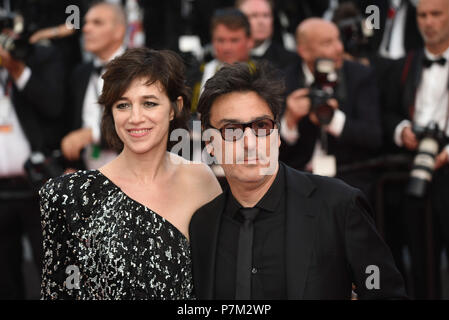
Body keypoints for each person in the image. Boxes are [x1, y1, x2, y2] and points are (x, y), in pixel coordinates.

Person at [189, 62, 407, 299]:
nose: (249, 143)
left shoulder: (338, 205)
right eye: (232, 130)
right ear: (210, 143)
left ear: (278, 136)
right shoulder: (203, 225)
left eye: (262, 126)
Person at [39, 48, 222, 299]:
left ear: (174, 108)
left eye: (149, 103)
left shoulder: (201, 180)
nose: (135, 118)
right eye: (123, 105)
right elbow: (58, 293)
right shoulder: (71, 196)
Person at [384, 0, 449, 299]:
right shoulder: (403, 64)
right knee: (420, 261)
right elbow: (386, 113)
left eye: (436, 14)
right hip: (411, 171)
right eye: (422, 15)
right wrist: (402, 131)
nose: (428, 22)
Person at [278, 18, 382, 202]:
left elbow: (374, 137)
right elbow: (271, 152)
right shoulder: (283, 81)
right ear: (303, 50)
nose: (339, 48)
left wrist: (333, 119)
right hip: (297, 183)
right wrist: (289, 122)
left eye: (338, 40)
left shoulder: (360, 76)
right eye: (327, 43)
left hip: (350, 179)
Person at [0, 23, 66, 298]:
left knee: (54, 274)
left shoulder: (38, 58)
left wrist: (16, 68)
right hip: (0, 195)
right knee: (6, 281)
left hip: (37, 187)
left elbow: (53, 105)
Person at [61, 1, 127, 171]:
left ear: (119, 30)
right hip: (87, 177)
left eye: (97, 23)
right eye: (86, 22)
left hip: (132, 178)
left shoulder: (140, 70)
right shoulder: (80, 73)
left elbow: (141, 126)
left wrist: (93, 135)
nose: (86, 29)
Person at [189, 7, 255, 112]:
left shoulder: (265, 75)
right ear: (212, 41)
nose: (226, 48)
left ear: (250, 41)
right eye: (220, 40)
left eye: (234, 40)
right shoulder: (195, 74)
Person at [236, 0, 297, 70]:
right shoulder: (227, 56)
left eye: (266, 15)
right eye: (253, 16)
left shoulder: (291, 60)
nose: (261, 22)